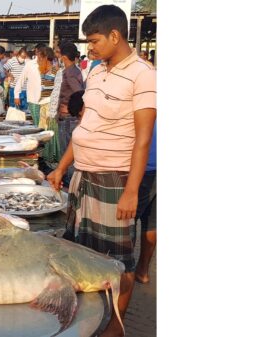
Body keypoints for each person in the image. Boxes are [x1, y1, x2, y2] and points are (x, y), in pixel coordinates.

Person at [47, 5, 156, 337]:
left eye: (93, 41)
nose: (89, 48)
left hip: (115, 179)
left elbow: (143, 140)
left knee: (116, 260)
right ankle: (88, 315)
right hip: (83, 176)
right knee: (81, 251)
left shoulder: (144, 74)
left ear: (115, 35)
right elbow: (85, 126)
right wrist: (62, 168)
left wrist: (132, 191)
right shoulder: (95, 70)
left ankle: (115, 325)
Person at [57, 41, 84, 185]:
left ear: (64, 57)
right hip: (69, 117)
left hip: (68, 119)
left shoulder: (69, 73)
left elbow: (79, 93)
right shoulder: (75, 70)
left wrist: (71, 108)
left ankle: (69, 185)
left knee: (67, 154)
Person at [134, 123, 156, 284]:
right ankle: (142, 271)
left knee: (128, 219)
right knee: (152, 222)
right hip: (152, 165)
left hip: (144, 167)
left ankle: (123, 270)